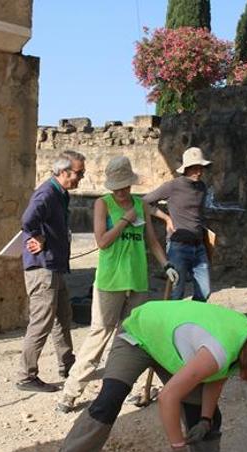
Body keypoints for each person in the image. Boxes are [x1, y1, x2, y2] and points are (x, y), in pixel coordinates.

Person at [44, 300, 247, 452]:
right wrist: (178, 451)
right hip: (140, 335)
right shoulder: (222, 349)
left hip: (172, 351)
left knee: (204, 416)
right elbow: (167, 398)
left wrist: (206, 420)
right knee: (108, 401)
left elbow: (216, 379)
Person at [56, 156, 179, 413]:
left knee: (132, 338)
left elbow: (152, 242)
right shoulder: (103, 204)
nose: (122, 192)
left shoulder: (141, 204)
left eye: (125, 187)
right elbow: (102, 241)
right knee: (99, 335)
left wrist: (166, 265)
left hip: (137, 280)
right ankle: (70, 392)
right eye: (118, 188)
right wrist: (125, 220)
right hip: (110, 282)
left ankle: (130, 389)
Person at [17, 150, 86, 393]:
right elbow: (28, 220)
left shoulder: (60, 193)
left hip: (53, 266)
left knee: (62, 317)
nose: (82, 177)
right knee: (42, 322)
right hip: (42, 268)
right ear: (64, 172)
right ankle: (26, 376)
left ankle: (67, 364)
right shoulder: (46, 193)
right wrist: (38, 237)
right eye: (79, 173)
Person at [143, 147, 213, 302]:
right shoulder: (173, 186)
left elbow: (200, 214)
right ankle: (173, 325)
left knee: (205, 290)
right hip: (178, 246)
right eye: (195, 168)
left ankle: (192, 320)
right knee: (176, 292)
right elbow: (143, 203)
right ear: (186, 169)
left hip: (198, 245)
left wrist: (207, 239)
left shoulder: (202, 187)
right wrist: (166, 218)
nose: (198, 172)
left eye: (200, 167)